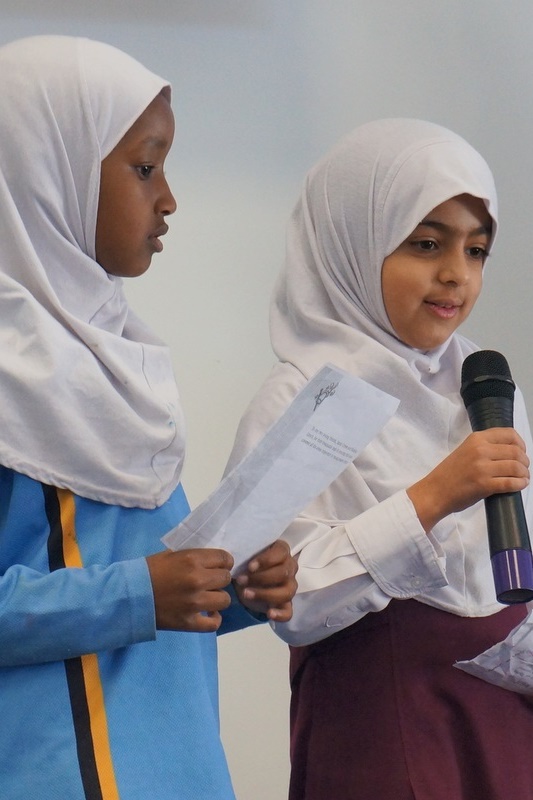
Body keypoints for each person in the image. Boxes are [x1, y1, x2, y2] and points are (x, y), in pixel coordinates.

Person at [0, 34, 297, 800]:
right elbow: (129, 590)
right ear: (45, 168)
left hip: (183, 773)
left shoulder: (124, 370)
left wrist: (236, 590)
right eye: (143, 166)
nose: (167, 199)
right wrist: (141, 592)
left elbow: (147, 586)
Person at [225, 118, 533, 799]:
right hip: (381, 731)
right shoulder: (302, 398)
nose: (455, 274)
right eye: (426, 244)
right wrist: (434, 495)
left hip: (502, 730)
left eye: (477, 251)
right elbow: (281, 599)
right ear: (354, 242)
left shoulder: (485, 388)